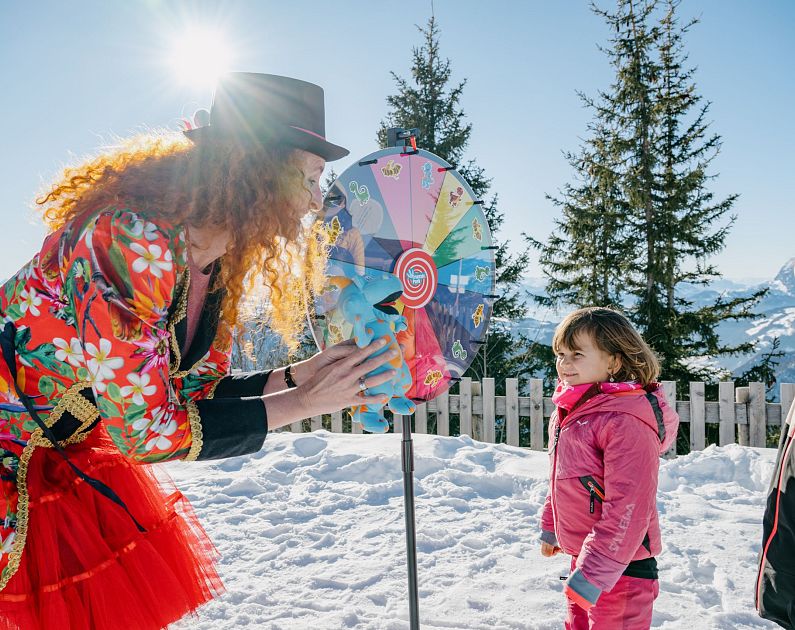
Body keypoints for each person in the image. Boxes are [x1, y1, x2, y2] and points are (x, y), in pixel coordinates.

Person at [0, 72, 398, 629]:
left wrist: (301, 375)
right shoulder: (130, 241)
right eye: (309, 177)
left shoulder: (217, 259)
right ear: (257, 172)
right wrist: (305, 404)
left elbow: (192, 391)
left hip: (61, 446)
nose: (317, 199)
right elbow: (144, 431)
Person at [539, 307, 679, 629]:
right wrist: (552, 526)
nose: (565, 363)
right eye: (561, 354)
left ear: (614, 362)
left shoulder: (625, 421)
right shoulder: (570, 411)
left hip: (623, 569)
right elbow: (562, 476)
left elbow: (629, 507)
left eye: (577, 353)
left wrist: (594, 571)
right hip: (585, 559)